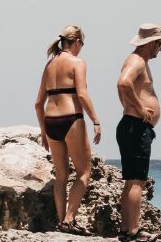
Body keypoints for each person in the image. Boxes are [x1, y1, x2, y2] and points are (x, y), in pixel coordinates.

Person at [33, 25, 101, 235]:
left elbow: (38, 103)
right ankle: (70, 219)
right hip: (71, 118)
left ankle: (61, 221)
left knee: (61, 175)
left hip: (51, 120)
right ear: (77, 42)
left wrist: (44, 132)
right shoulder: (77, 62)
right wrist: (96, 121)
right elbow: (81, 94)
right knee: (84, 172)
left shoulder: (49, 65)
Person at [116, 23, 161, 242]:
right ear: (150, 43)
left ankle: (126, 230)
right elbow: (123, 83)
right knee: (137, 180)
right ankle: (134, 232)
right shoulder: (137, 61)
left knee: (131, 181)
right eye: (160, 44)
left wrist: (132, 107)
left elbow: (124, 87)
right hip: (135, 127)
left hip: (133, 125)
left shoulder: (138, 61)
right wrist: (139, 108)